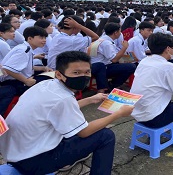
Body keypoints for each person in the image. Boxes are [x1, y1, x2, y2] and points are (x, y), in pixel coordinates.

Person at [0, 51, 134, 174]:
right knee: (105, 136)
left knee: (70, 127)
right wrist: (119, 113)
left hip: (14, 152)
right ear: (59, 74)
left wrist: (89, 99)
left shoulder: (45, 85)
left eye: (87, 72)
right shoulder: (63, 98)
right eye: (76, 73)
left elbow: (57, 110)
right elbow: (84, 131)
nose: (83, 76)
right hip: (32, 162)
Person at [89, 23, 136, 93]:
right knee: (131, 66)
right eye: (120, 31)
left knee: (127, 63)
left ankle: (113, 84)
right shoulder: (106, 43)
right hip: (101, 68)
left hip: (99, 65)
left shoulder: (102, 39)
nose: (120, 34)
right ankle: (112, 85)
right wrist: (124, 47)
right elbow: (114, 59)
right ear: (115, 33)